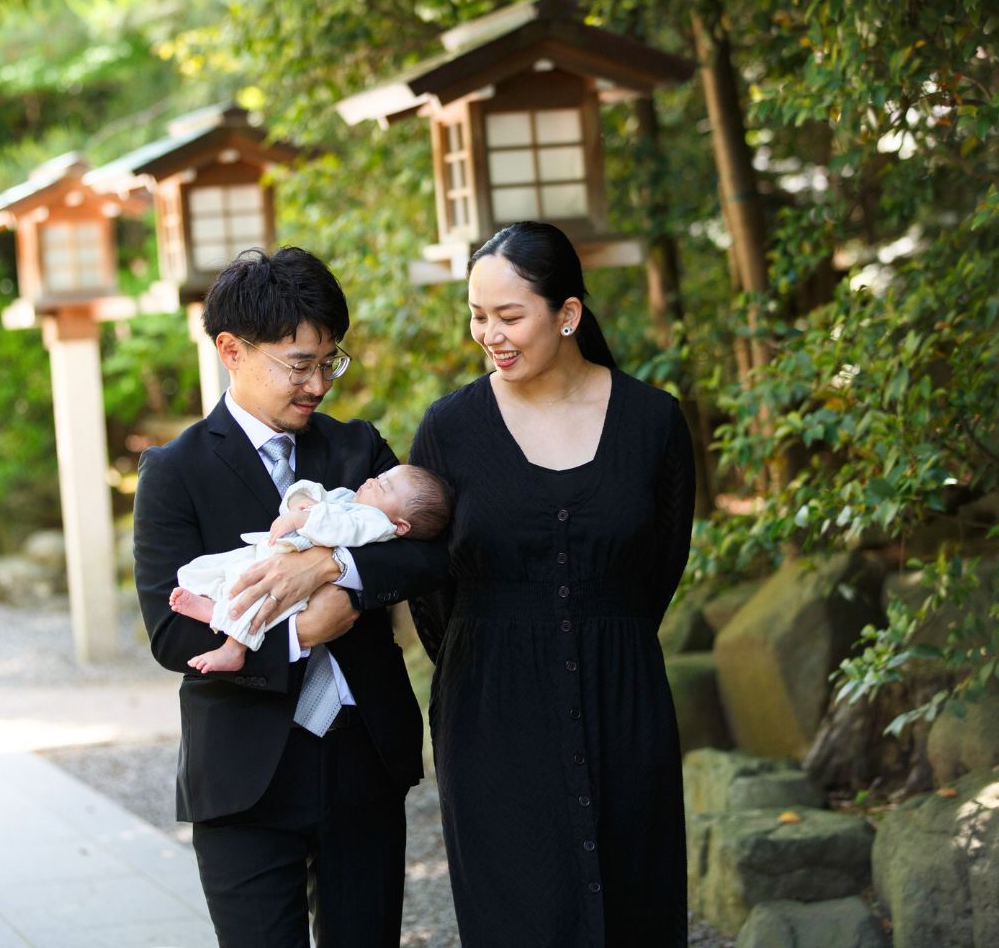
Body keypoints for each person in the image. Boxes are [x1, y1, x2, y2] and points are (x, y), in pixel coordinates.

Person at [132, 246, 448, 947]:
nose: (317, 385)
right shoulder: (173, 473)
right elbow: (172, 633)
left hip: (364, 761)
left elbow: (430, 554)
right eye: (298, 364)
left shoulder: (358, 450)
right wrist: (304, 631)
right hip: (245, 778)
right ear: (230, 351)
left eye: (329, 362)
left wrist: (336, 571)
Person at [408, 221, 696, 947]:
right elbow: (432, 589)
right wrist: (493, 661)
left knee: (635, 904)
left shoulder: (654, 422)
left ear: (567, 315)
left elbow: (658, 568)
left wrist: (603, 636)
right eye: (478, 316)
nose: (489, 335)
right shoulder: (449, 429)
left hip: (623, 702)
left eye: (509, 316)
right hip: (492, 717)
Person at [171, 465, 454, 673]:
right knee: (233, 575)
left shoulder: (377, 523)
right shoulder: (351, 499)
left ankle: (232, 643)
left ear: (400, 525)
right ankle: (216, 600)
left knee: (259, 598)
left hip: (299, 586)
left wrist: (305, 521)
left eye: (383, 486)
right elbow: (318, 496)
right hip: (274, 554)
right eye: (379, 477)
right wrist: (300, 499)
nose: (370, 480)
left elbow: (340, 528)